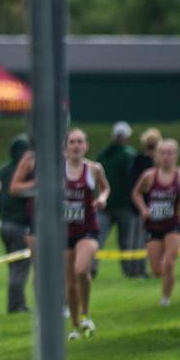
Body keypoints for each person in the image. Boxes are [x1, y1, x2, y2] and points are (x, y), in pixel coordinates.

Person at [63, 128, 110, 340]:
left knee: (81, 270)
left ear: (86, 146)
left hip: (87, 229)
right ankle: (74, 326)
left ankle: (86, 313)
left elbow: (105, 188)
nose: (75, 146)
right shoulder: (57, 170)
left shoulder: (93, 169)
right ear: (66, 147)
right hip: (64, 231)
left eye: (80, 142)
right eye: (72, 142)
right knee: (70, 281)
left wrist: (102, 199)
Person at [132, 138, 180, 306]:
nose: (166, 157)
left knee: (169, 263)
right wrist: (143, 209)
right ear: (157, 155)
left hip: (173, 225)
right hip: (153, 225)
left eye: (170, 153)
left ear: (176, 155)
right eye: (162, 153)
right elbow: (136, 193)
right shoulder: (149, 175)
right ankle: (167, 282)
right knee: (156, 270)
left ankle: (165, 299)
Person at [0, 134, 33, 313]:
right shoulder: (28, 171)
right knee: (20, 268)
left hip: (4, 225)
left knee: (13, 267)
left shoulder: (2, 170)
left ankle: (15, 303)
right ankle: (16, 306)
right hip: (20, 226)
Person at [95, 121, 138, 278]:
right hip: (124, 205)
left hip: (104, 204)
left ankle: (91, 267)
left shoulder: (102, 154)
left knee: (97, 238)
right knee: (126, 241)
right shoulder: (130, 155)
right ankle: (130, 270)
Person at [128, 128, 162, 277]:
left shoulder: (143, 160)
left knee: (141, 239)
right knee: (144, 239)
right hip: (147, 205)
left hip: (150, 205)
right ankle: (140, 269)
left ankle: (141, 268)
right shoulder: (145, 161)